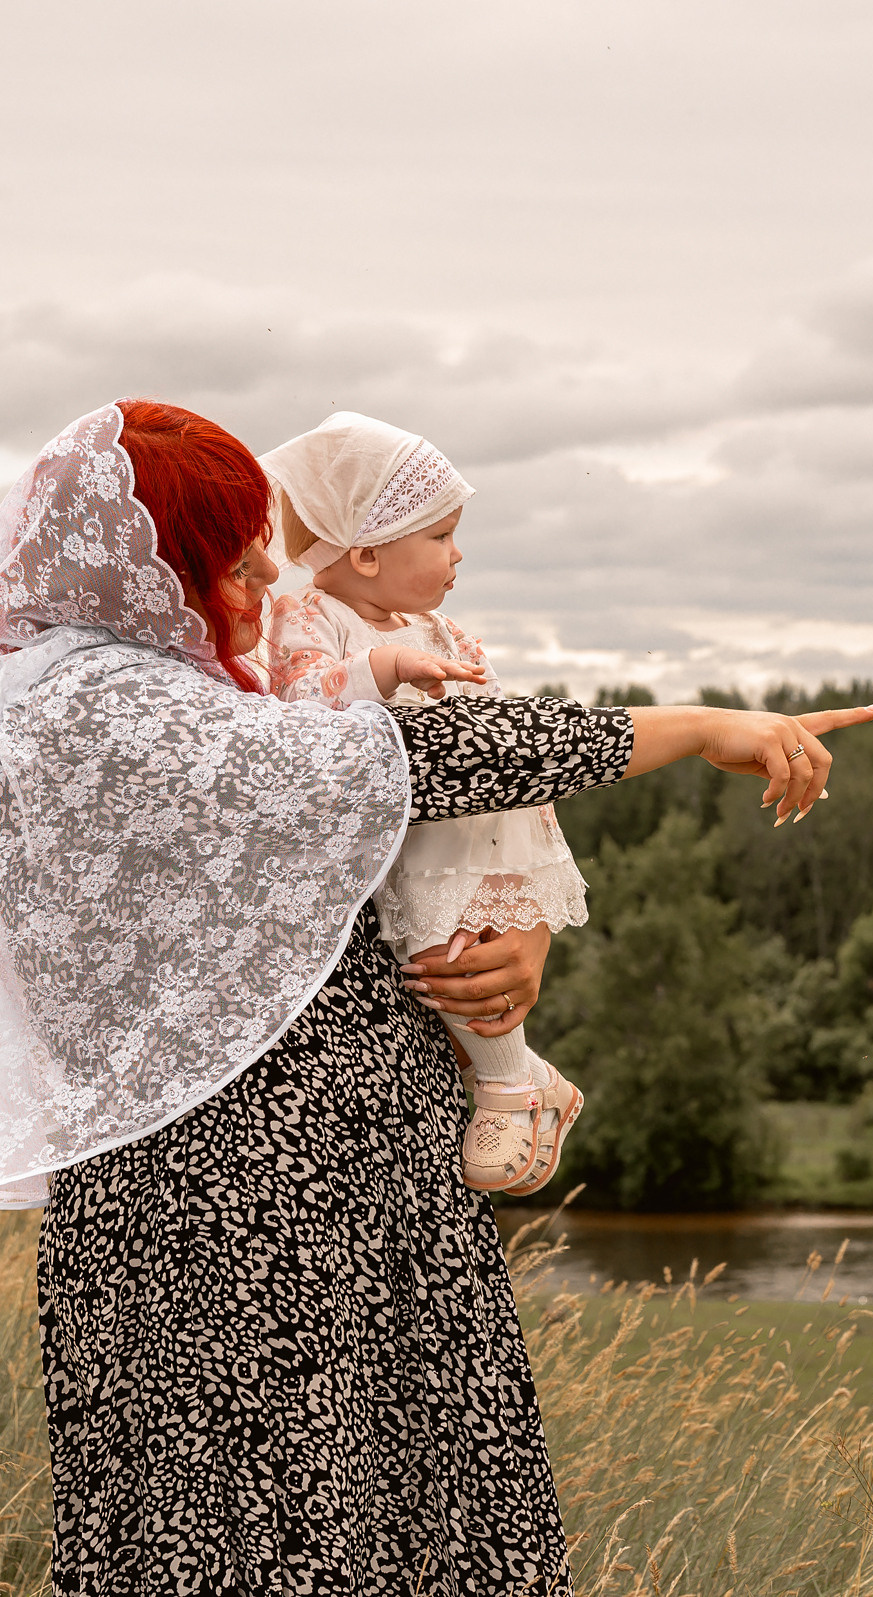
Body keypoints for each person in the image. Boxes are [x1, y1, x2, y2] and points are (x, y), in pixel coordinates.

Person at [0, 398, 873, 1595]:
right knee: (263, 1535)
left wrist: (521, 935)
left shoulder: (172, 690)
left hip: (354, 1187)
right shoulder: (108, 710)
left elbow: (368, 871)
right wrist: (695, 729)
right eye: (235, 556)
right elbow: (405, 766)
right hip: (235, 1223)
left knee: (399, 1525)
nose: (270, 575)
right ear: (145, 570)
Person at [255, 411, 586, 1198]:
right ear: (365, 552)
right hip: (403, 839)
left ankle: (511, 1077)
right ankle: (516, 1077)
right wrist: (384, 665)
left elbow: (499, 733)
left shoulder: (452, 635)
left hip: (471, 831)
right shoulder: (304, 617)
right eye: (439, 536)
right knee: (441, 959)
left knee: (469, 952)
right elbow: (302, 700)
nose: (457, 553)